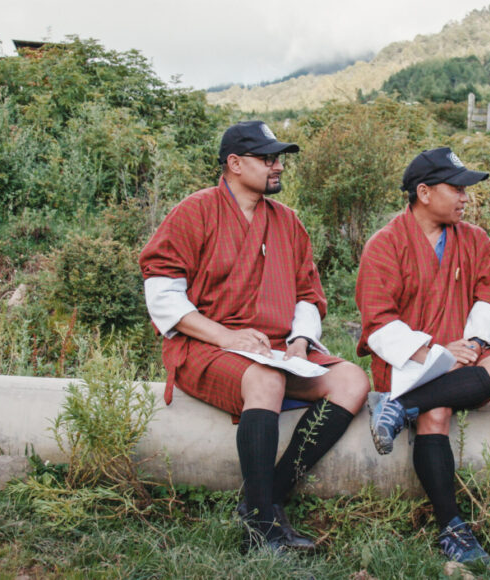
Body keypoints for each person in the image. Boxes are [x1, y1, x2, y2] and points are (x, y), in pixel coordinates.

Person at [139, 121, 370, 551]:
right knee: (266, 379)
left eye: (278, 158)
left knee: (352, 380)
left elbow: (307, 294)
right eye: (267, 159)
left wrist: (300, 341)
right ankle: (261, 531)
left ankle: (265, 500)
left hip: (275, 348)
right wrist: (226, 338)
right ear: (234, 163)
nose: (277, 166)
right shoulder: (195, 211)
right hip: (206, 346)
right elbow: (163, 296)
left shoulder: (287, 221)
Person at [355, 147, 490, 565]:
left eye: (466, 189)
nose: (465, 197)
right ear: (424, 192)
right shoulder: (385, 244)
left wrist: (475, 344)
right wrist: (432, 351)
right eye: (457, 188)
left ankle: (399, 408)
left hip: (464, 353)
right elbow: (377, 321)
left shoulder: (475, 239)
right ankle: (451, 527)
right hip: (409, 361)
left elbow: (487, 297)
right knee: (438, 411)